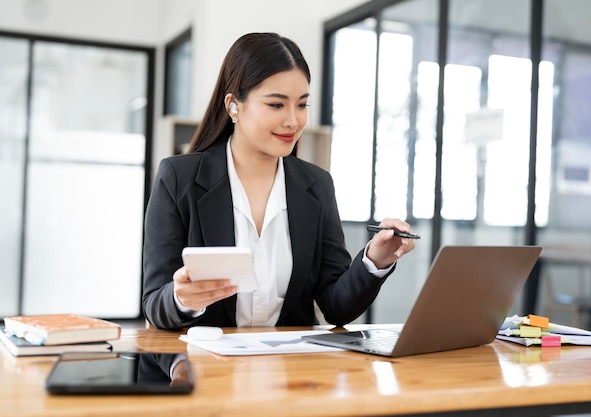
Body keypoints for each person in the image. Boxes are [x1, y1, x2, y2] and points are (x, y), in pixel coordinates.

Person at [142, 32, 416, 330]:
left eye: (301, 105)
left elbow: (336, 307)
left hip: (292, 370)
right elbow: (155, 304)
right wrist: (182, 299)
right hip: (204, 367)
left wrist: (375, 260)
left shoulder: (317, 184)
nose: (293, 121)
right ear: (234, 105)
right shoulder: (179, 178)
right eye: (276, 105)